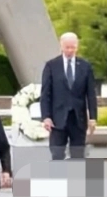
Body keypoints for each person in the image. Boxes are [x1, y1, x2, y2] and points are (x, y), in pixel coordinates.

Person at [40, 32, 98, 160]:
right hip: (58, 119)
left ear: (77, 47)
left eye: (73, 47)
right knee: (57, 154)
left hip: (78, 119)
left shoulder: (85, 66)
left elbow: (91, 93)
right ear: (61, 46)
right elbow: (45, 94)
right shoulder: (51, 66)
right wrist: (46, 117)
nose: (70, 50)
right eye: (67, 47)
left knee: (78, 155)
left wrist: (93, 117)